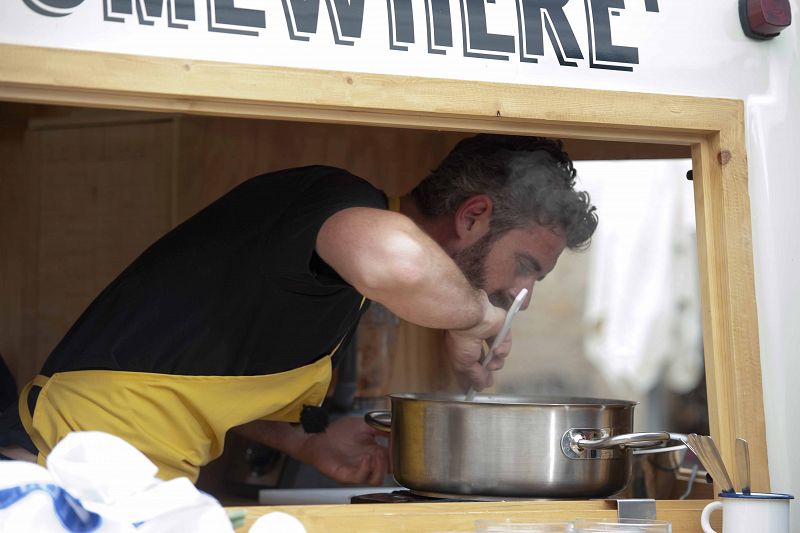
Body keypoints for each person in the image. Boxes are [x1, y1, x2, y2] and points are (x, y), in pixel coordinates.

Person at [0, 134, 597, 486]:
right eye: (525, 267)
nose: (525, 293)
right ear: (471, 217)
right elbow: (403, 263)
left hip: (127, 479)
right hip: (69, 468)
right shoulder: (342, 201)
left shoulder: (337, 275)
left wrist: (306, 443)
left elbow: (200, 382)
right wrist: (479, 319)